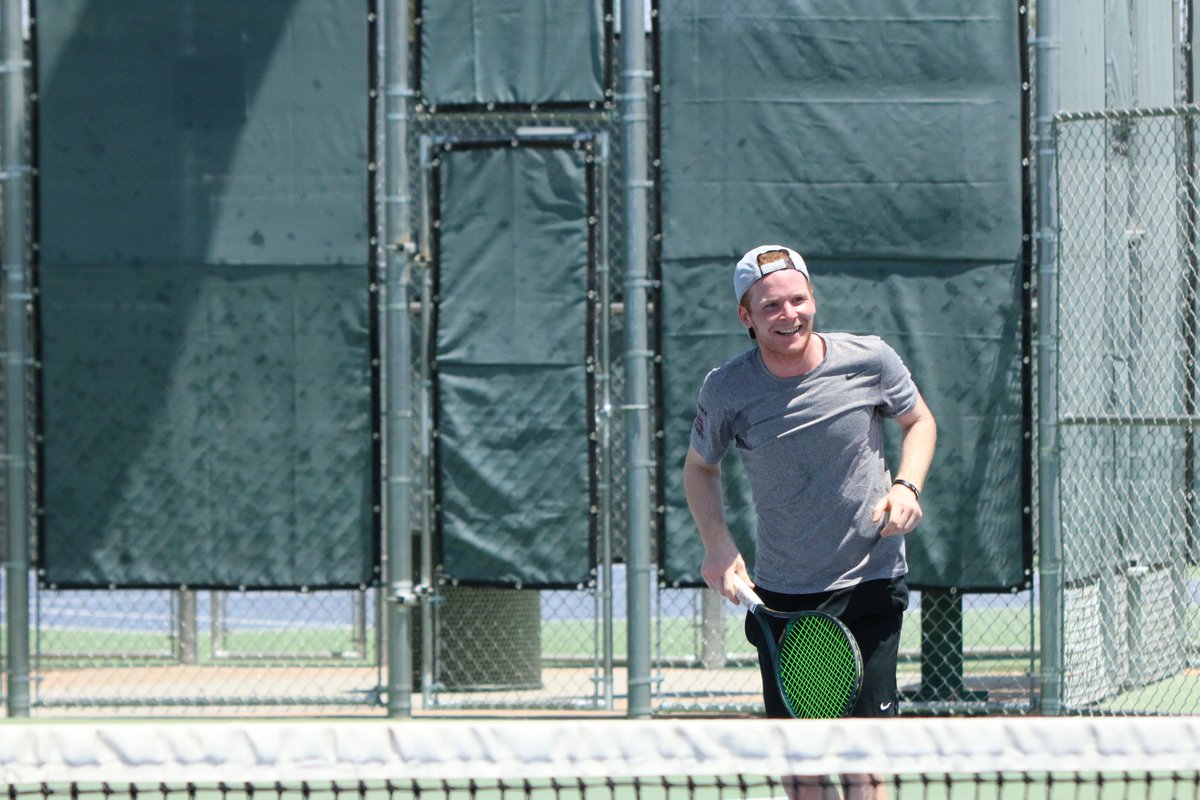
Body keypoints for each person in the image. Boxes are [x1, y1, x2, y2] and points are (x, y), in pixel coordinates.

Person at [682, 244, 937, 799]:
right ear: (746, 316)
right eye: (771, 306)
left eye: (798, 300)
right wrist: (717, 543)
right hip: (784, 598)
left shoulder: (871, 359)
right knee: (802, 773)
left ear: (813, 299)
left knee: (864, 766)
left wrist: (906, 485)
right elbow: (700, 467)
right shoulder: (727, 388)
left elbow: (919, 421)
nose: (788, 314)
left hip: (870, 580)